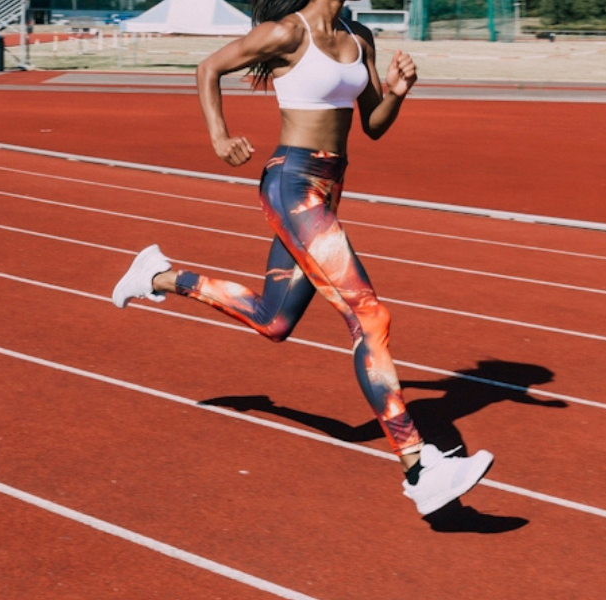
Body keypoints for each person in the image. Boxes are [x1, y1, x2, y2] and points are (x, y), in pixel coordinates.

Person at [111, 0, 493, 515]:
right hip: (291, 185)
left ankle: (158, 275)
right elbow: (209, 68)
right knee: (369, 315)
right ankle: (419, 468)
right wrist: (219, 137)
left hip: (328, 189)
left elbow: (373, 124)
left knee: (274, 321)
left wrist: (399, 92)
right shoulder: (286, 33)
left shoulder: (359, 36)